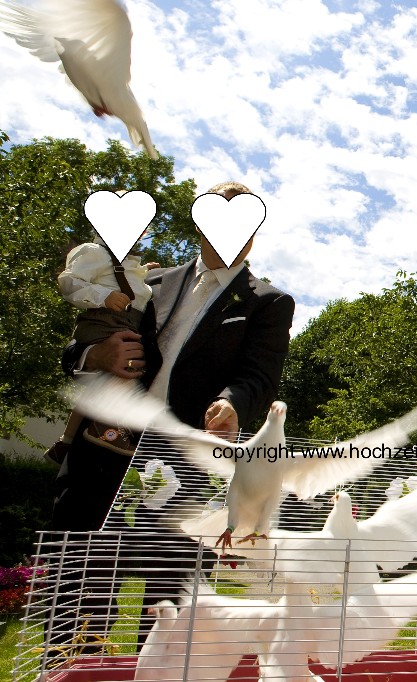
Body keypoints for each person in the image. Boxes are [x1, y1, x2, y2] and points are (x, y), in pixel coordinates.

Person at [47, 180, 294, 650]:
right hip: (101, 450)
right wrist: (97, 355)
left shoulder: (268, 303)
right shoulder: (145, 282)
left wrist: (232, 404)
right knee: (75, 587)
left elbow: (258, 379)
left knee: (170, 606)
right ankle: (67, 666)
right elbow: (78, 347)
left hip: (184, 465)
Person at [50, 228, 156, 457]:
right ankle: (106, 426)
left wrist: (145, 271)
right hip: (105, 321)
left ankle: (65, 443)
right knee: (130, 365)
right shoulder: (95, 252)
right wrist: (103, 297)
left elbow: (123, 280)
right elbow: (68, 282)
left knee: (94, 388)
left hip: (122, 322)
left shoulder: (126, 261)